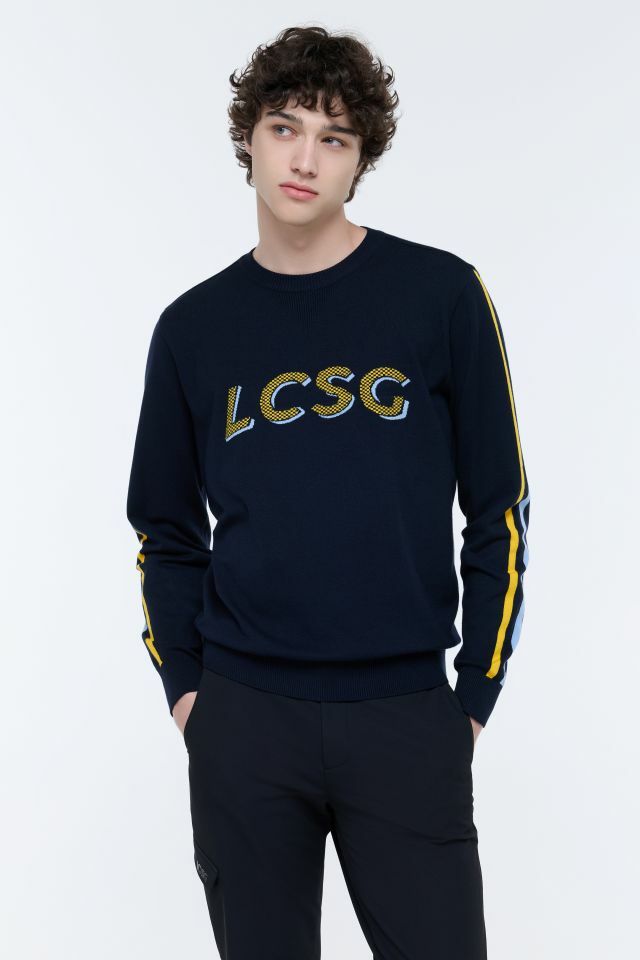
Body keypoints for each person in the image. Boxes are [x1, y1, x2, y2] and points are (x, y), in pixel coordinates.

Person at [126, 24, 530, 960]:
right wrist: (190, 695)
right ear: (250, 138)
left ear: (360, 160)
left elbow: (499, 508)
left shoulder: (441, 295)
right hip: (244, 720)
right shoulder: (192, 329)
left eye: (333, 137)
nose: (305, 159)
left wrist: (473, 694)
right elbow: (165, 530)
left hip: (405, 715)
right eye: (285, 127)